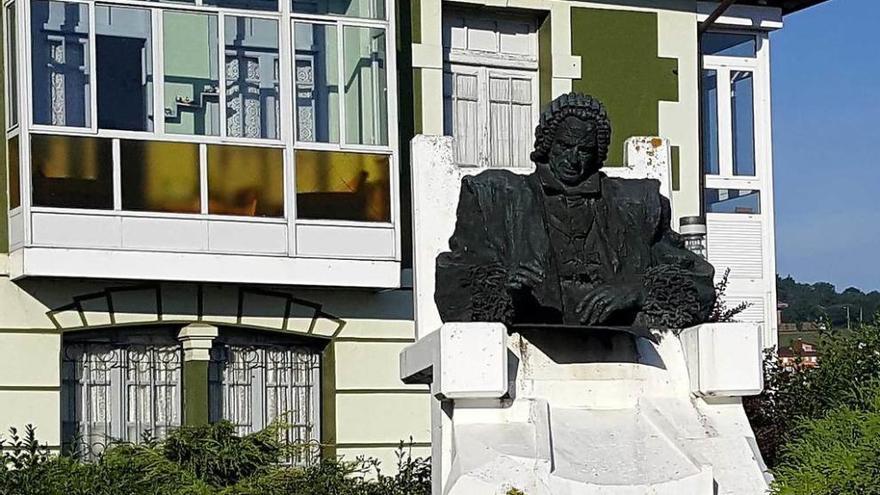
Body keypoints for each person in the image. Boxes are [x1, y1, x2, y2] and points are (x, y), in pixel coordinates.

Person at [435, 93, 716, 329]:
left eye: (584, 150)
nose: (573, 159)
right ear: (547, 145)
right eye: (565, 146)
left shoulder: (637, 203)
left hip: (619, 350)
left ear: (596, 153)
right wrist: (504, 288)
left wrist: (638, 292)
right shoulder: (496, 197)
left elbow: (697, 280)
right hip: (528, 346)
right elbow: (457, 279)